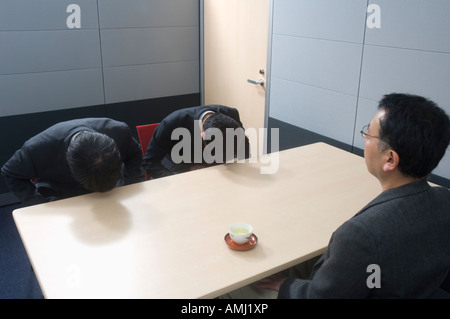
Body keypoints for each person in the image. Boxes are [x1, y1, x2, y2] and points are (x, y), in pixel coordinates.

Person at [243, 93, 450, 298]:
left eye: (369, 133)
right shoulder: (445, 200)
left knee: (243, 287)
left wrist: (285, 285)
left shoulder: (360, 235)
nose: (366, 138)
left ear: (390, 159)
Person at [1, 118, 142, 206]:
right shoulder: (37, 148)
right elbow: (10, 172)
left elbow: (135, 154)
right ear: (69, 163)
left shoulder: (119, 131)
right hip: (61, 198)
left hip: (111, 192)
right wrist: (39, 203)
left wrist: (129, 184)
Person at [142, 105, 250, 179]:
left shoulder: (232, 114)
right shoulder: (172, 123)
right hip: (179, 165)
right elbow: (149, 162)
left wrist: (243, 166)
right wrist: (179, 179)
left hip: (214, 168)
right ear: (203, 136)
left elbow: (244, 144)